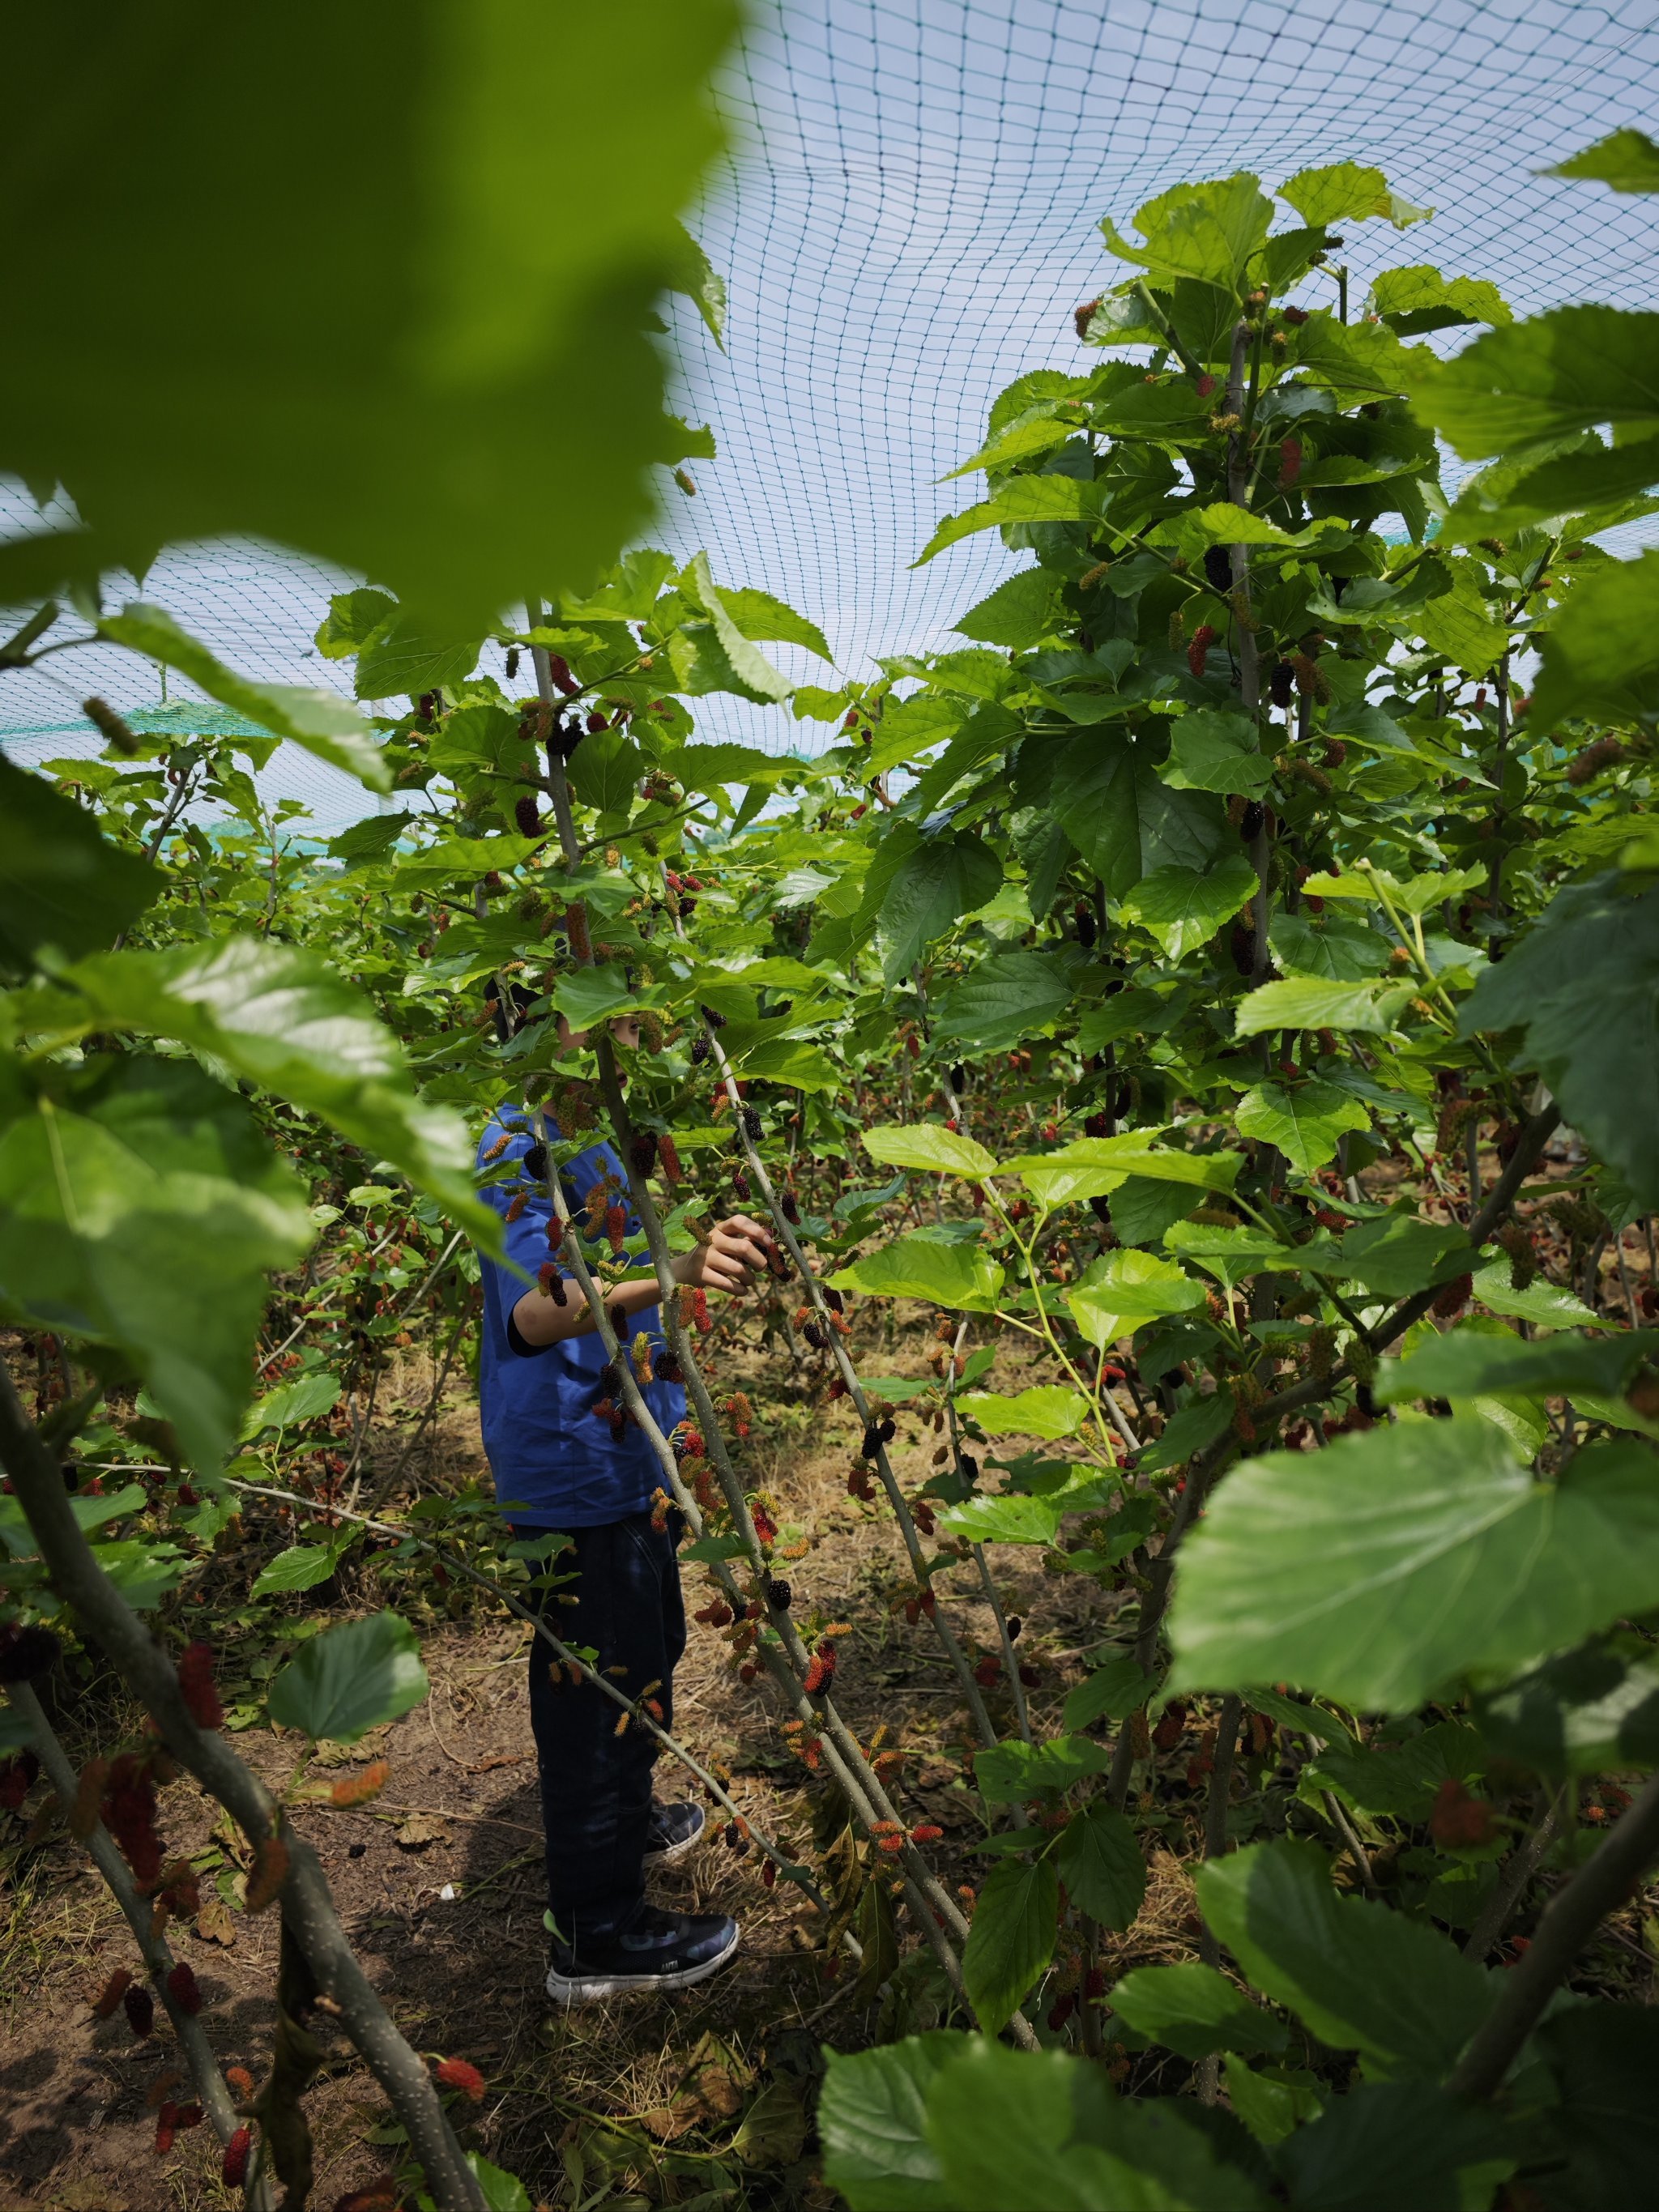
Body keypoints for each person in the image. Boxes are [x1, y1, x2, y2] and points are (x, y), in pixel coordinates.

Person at [474, 1018, 773, 2005]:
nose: (636, 1029)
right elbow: (536, 1311)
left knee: (647, 1644)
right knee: (592, 1687)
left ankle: (625, 1809)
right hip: (570, 1466)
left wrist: (692, 1255)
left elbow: (632, 1266)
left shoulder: (600, 1139)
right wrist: (681, 1268)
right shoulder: (517, 1144)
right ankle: (594, 1935)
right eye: (606, 1009)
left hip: (625, 1449)